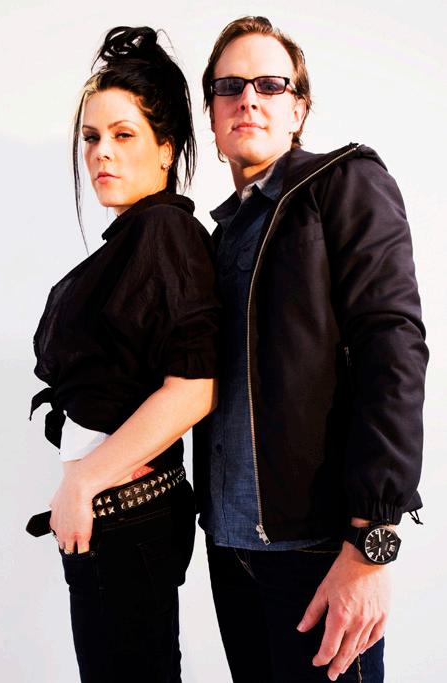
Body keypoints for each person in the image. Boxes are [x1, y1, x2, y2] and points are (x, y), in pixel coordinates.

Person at [194, 15, 428, 683]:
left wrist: (370, 543)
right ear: (212, 115)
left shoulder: (344, 183)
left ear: (298, 109)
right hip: (231, 549)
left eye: (270, 84)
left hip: (321, 550)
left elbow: (393, 350)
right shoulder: (219, 236)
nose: (248, 99)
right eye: (230, 86)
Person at [29, 26, 219, 683]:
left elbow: (195, 387)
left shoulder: (165, 232)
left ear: (167, 148)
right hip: (117, 521)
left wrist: (83, 480)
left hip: (127, 517)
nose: (101, 152)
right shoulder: (137, 237)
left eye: (123, 134)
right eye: (91, 137)